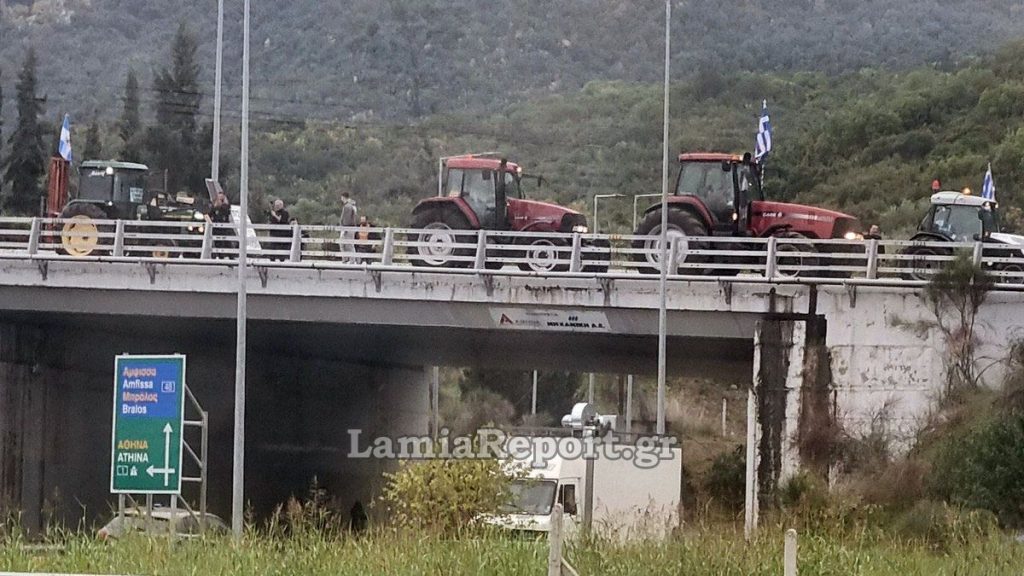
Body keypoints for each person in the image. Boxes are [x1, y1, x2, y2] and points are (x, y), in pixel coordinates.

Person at [206, 193, 234, 257]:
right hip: (216, 228)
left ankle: (231, 256)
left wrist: (224, 203)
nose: (220, 198)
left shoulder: (226, 207)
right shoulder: (214, 207)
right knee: (218, 243)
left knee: (227, 243)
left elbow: (227, 211)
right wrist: (210, 223)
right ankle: (220, 256)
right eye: (219, 197)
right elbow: (209, 215)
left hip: (225, 228)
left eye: (222, 197)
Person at [340, 192, 358, 262]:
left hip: (347, 227)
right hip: (349, 227)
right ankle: (348, 259)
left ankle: (349, 259)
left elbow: (347, 218)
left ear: (343, 197)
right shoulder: (351, 206)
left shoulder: (348, 206)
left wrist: (345, 228)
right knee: (345, 244)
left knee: (348, 244)